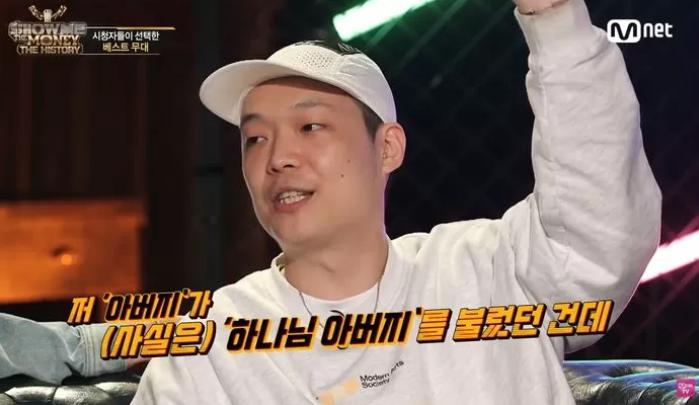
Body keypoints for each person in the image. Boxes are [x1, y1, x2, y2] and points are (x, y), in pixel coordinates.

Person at [1, 0, 662, 403]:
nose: (277, 156)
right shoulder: (211, 344)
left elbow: (597, 213)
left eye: (310, 126)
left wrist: (554, 20)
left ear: (387, 147)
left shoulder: (491, 270)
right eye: (254, 138)